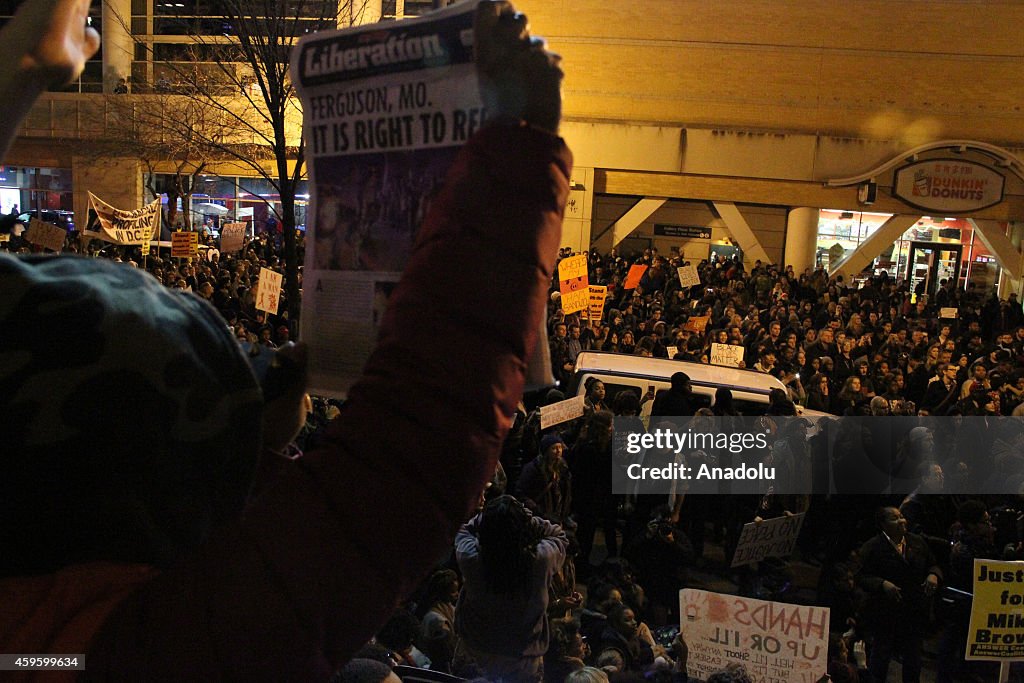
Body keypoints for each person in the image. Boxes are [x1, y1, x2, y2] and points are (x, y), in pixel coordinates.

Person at [0, 0, 572, 678]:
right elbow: (407, 459)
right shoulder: (133, 656)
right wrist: (522, 141)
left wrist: (22, 70)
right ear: (143, 478)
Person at [452, 495, 568, 682]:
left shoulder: (470, 557)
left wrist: (489, 517)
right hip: (522, 659)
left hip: (475, 652)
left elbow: (464, 529)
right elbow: (558, 535)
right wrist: (527, 519)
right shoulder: (541, 560)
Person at [855, 507, 942, 683]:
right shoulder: (872, 547)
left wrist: (933, 575)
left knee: (913, 659)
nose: (902, 521)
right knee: (881, 657)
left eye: (901, 517)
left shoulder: (917, 542)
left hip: (913, 611)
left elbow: (933, 564)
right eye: (894, 519)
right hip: (885, 612)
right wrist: (882, 584)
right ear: (883, 525)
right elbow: (860, 575)